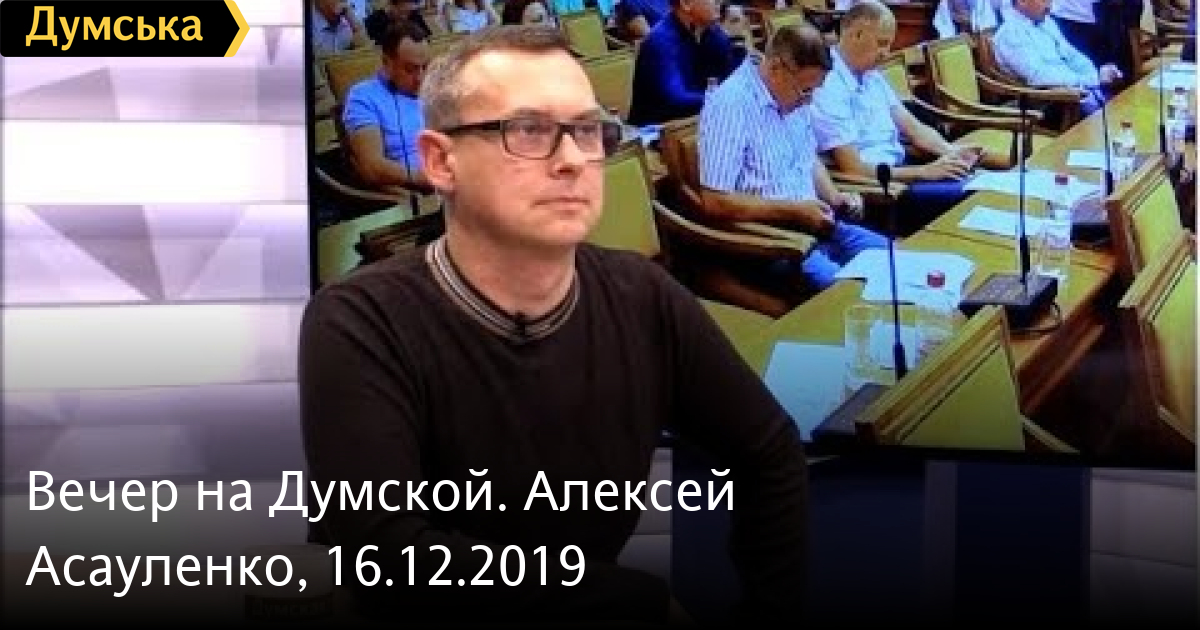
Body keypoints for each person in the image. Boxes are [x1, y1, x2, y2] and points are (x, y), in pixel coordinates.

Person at [300, 24, 809, 625]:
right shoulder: (360, 321)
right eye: (528, 130)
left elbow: (770, 450)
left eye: (587, 130)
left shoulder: (642, 295)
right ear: (441, 161)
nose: (572, 159)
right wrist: (635, 604)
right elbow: (389, 553)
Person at [700, 22, 886, 291]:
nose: (808, 101)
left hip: (816, 224)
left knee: (893, 262)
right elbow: (715, 202)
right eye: (805, 91)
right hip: (771, 242)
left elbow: (807, 159)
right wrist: (794, 211)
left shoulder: (794, 97)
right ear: (776, 68)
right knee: (853, 293)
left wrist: (834, 197)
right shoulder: (730, 105)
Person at [811, 1, 981, 232]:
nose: (887, 53)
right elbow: (853, 169)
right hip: (880, 189)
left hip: (904, 170)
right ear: (856, 34)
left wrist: (951, 152)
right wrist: (925, 173)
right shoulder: (827, 85)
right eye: (882, 43)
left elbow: (914, 128)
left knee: (982, 182)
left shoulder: (872, 75)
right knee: (972, 194)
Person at [342, 20, 433, 190]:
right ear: (387, 63)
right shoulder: (363, 96)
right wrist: (428, 179)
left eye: (425, 67)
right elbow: (372, 167)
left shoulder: (437, 88)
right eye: (410, 69)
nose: (420, 78)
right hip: (417, 189)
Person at [992, 0, 1122, 116]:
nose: (1050, 6)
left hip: (1077, 92)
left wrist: (1096, 74)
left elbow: (1073, 56)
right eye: (1044, 0)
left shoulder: (1047, 22)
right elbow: (1040, 78)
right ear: (1022, 1)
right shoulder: (1010, 34)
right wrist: (1093, 79)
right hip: (1049, 104)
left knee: (1122, 104)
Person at [627, 0, 745, 125]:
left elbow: (735, 79)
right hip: (658, 130)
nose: (718, 1)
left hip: (701, 121)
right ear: (685, 4)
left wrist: (736, 40)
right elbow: (676, 100)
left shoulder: (713, 32)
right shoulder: (660, 41)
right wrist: (723, 98)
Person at [365, 0, 433, 43]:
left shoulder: (413, 14)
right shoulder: (372, 21)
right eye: (402, 12)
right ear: (390, 5)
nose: (405, 17)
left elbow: (427, 37)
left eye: (408, 12)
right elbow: (376, 47)